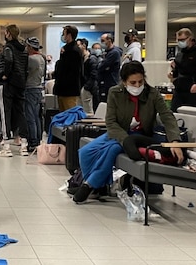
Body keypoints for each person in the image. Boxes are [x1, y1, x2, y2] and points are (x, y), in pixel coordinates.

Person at [73, 61, 184, 203]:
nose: (137, 86)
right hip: (119, 133)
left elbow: (167, 116)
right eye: (133, 82)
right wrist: (125, 139)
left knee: (112, 150)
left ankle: (90, 185)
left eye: (140, 81)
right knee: (85, 152)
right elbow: (111, 121)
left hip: (141, 136)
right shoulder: (115, 92)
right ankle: (96, 184)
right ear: (124, 82)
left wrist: (175, 141)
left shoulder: (152, 94)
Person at [0, 24, 28, 157]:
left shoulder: (8, 47)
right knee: (21, 112)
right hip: (20, 83)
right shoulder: (24, 49)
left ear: (8, 33)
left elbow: (8, 60)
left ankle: (7, 146)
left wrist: (6, 74)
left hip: (8, 84)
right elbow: (25, 67)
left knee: (5, 113)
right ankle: (24, 144)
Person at [169, 27, 196, 112]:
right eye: (178, 40)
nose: (180, 42)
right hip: (179, 89)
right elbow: (178, 69)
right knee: (174, 113)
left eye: (182, 39)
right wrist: (173, 74)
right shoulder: (180, 54)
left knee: (192, 115)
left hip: (193, 89)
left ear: (190, 39)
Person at [23, 37, 46, 155]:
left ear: (30, 47)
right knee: (37, 117)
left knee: (30, 117)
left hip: (30, 89)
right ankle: (38, 140)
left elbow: (24, 73)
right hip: (38, 89)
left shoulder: (30, 59)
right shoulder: (42, 58)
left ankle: (32, 142)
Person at [53, 25, 83, 111]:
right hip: (62, 88)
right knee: (62, 114)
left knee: (69, 113)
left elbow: (72, 71)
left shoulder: (74, 51)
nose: (63, 36)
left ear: (69, 35)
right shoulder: (66, 49)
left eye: (64, 34)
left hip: (69, 89)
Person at [97, 33, 121, 102]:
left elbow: (101, 66)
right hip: (104, 83)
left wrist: (102, 65)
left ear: (109, 40)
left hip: (111, 83)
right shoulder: (106, 52)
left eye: (103, 40)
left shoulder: (114, 53)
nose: (101, 43)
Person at [81, 41, 100, 114]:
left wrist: (86, 87)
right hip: (84, 86)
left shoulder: (92, 59)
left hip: (89, 88)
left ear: (84, 46)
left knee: (88, 110)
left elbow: (94, 74)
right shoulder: (82, 58)